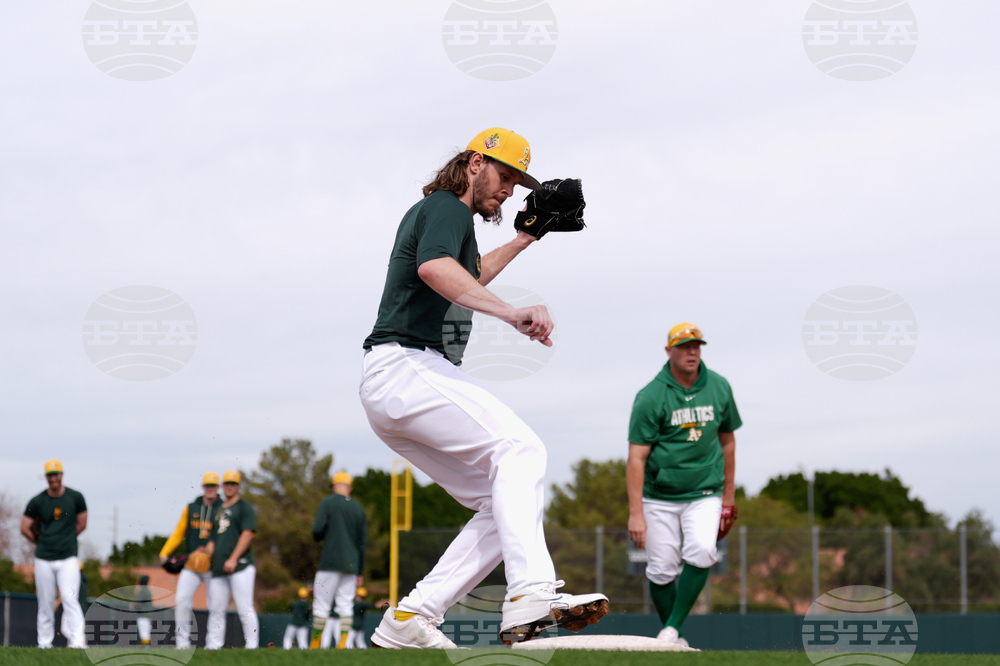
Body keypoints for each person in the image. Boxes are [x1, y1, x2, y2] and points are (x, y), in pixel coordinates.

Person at [360, 128, 607, 649]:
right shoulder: (447, 207)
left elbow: (467, 272)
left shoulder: (449, 220)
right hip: (406, 364)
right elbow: (435, 269)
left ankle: (412, 618)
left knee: (504, 498)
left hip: (394, 382)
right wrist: (510, 313)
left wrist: (524, 238)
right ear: (475, 163)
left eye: (519, 181)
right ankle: (532, 592)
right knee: (521, 449)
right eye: (506, 174)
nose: (512, 189)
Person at [626, 323, 741, 646]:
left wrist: (728, 497)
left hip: (705, 491)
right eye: (685, 346)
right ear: (669, 351)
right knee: (661, 571)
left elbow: (728, 443)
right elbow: (636, 458)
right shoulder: (651, 396)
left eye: (697, 346)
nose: (692, 352)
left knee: (703, 550)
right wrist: (636, 513)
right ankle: (677, 637)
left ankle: (672, 629)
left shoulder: (718, 386)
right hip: (659, 496)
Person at [20, 459, 88, 649]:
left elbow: (82, 523)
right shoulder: (38, 500)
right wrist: (41, 541)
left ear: (62, 474)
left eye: (56, 474)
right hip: (43, 558)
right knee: (45, 602)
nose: (53, 478)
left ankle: (77, 643)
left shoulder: (75, 497)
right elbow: (25, 527)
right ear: (46, 477)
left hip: (68, 557)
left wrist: (63, 539)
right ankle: (44, 644)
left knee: (69, 598)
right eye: (50, 475)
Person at [159, 471, 223, 649]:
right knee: (181, 600)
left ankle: (214, 645)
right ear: (203, 487)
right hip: (192, 563)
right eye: (208, 486)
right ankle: (182, 643)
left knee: (216, 604)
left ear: (218, 488)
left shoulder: (224, 507)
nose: (210, 489)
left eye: (214, 486)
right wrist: (164, 552)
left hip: (214, 565)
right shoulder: (191, 507)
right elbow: (179, 533)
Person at [309, 471, 367, 649]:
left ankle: (315, 644)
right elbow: (362, 543)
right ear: (350, 488)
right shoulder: (358, 508)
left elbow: (317, 529)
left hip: (330, 561)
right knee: (345, 605)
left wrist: (322, 534)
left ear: (335, 486)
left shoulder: (328, 502)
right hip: (351, 564)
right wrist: (360, 571)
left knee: (321, 605)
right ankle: (343, 644)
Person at [205, 470, 259, 649]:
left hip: (241, 565)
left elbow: (248, 533)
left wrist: (234, 558)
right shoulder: (219, 509)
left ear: (238, 486)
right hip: (219, 567)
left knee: (245, 608)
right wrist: (205, 554)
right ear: (222, 486)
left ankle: (252, 646)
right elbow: (214, 539)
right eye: (227, 483)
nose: (229, 486)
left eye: (233, 484)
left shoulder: (244, 508)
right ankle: (213, 648)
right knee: (216, 610)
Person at [134, 575, 153, 646]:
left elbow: (138, 604)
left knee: (144, 633)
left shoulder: (143, 590)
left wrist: (133, 606)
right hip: (148, 615)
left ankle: (146, 648)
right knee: (146, 633)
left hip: (143, 616)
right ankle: (146, 647)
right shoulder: (147, 590)